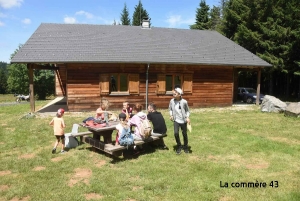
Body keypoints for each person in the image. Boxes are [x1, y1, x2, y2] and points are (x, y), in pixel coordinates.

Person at [169, 87, 191, 154]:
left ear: (179, 94)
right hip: (176, 120)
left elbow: (188, 111)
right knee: (176, 133)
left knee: (184, 134)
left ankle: (185, 146)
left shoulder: (184, 102)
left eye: (175, 94)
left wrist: (187, 117)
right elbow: (170, 109)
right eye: (173, 94)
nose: (173, 95)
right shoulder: (172, 101)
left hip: (183, 120)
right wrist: (171, 115)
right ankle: (179, 146)